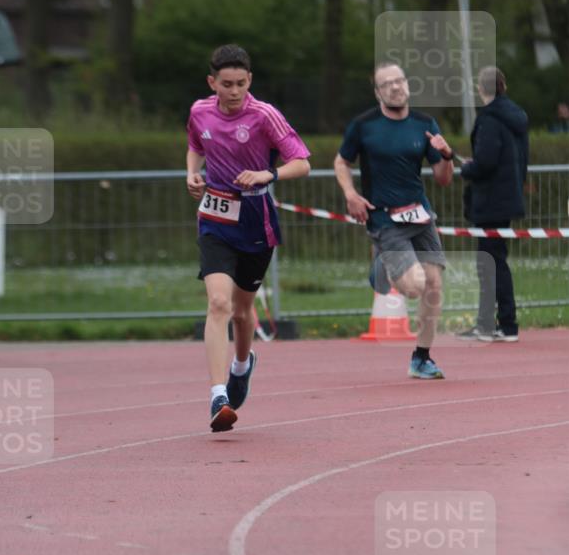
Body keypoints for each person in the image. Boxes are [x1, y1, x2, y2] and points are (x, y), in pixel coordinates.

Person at [186, 44, 311, 431]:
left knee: (242, 312)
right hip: (215, 220)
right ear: (213, 83)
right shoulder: (199, 111)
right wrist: (192, 174)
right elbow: (195, 145)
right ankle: (218, 394)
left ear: (250, 81)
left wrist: (267, 175)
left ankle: (242, 365)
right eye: (227, 84)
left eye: (241, 83)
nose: (235, 91)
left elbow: (302, 163)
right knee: (219, 303)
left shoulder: (264, 116)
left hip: (257, 222)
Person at [333, 61, 454, 379]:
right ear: (378, 92)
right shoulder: (364, 126)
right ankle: (382, 265)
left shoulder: (425, 123)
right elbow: (341, 161)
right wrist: (350, 194)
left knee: (435, 285)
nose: (395, 87)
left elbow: (443, 179)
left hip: (420, 213)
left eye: (399, 81)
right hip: (384, 218)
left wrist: (446, 156)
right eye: (387, 84)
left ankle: (422, 358)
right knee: (415, 287)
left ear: (408, 85)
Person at [457, 66, 528, 343]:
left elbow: (486, 161)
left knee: (489, 262)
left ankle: (495, 324)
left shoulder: (489, 119)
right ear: (504, 85)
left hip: (490, 200)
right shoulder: (516, 118)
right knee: (496, 260)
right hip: (508, 196)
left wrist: (468, 169)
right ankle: (502, 323)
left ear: (481, 88)